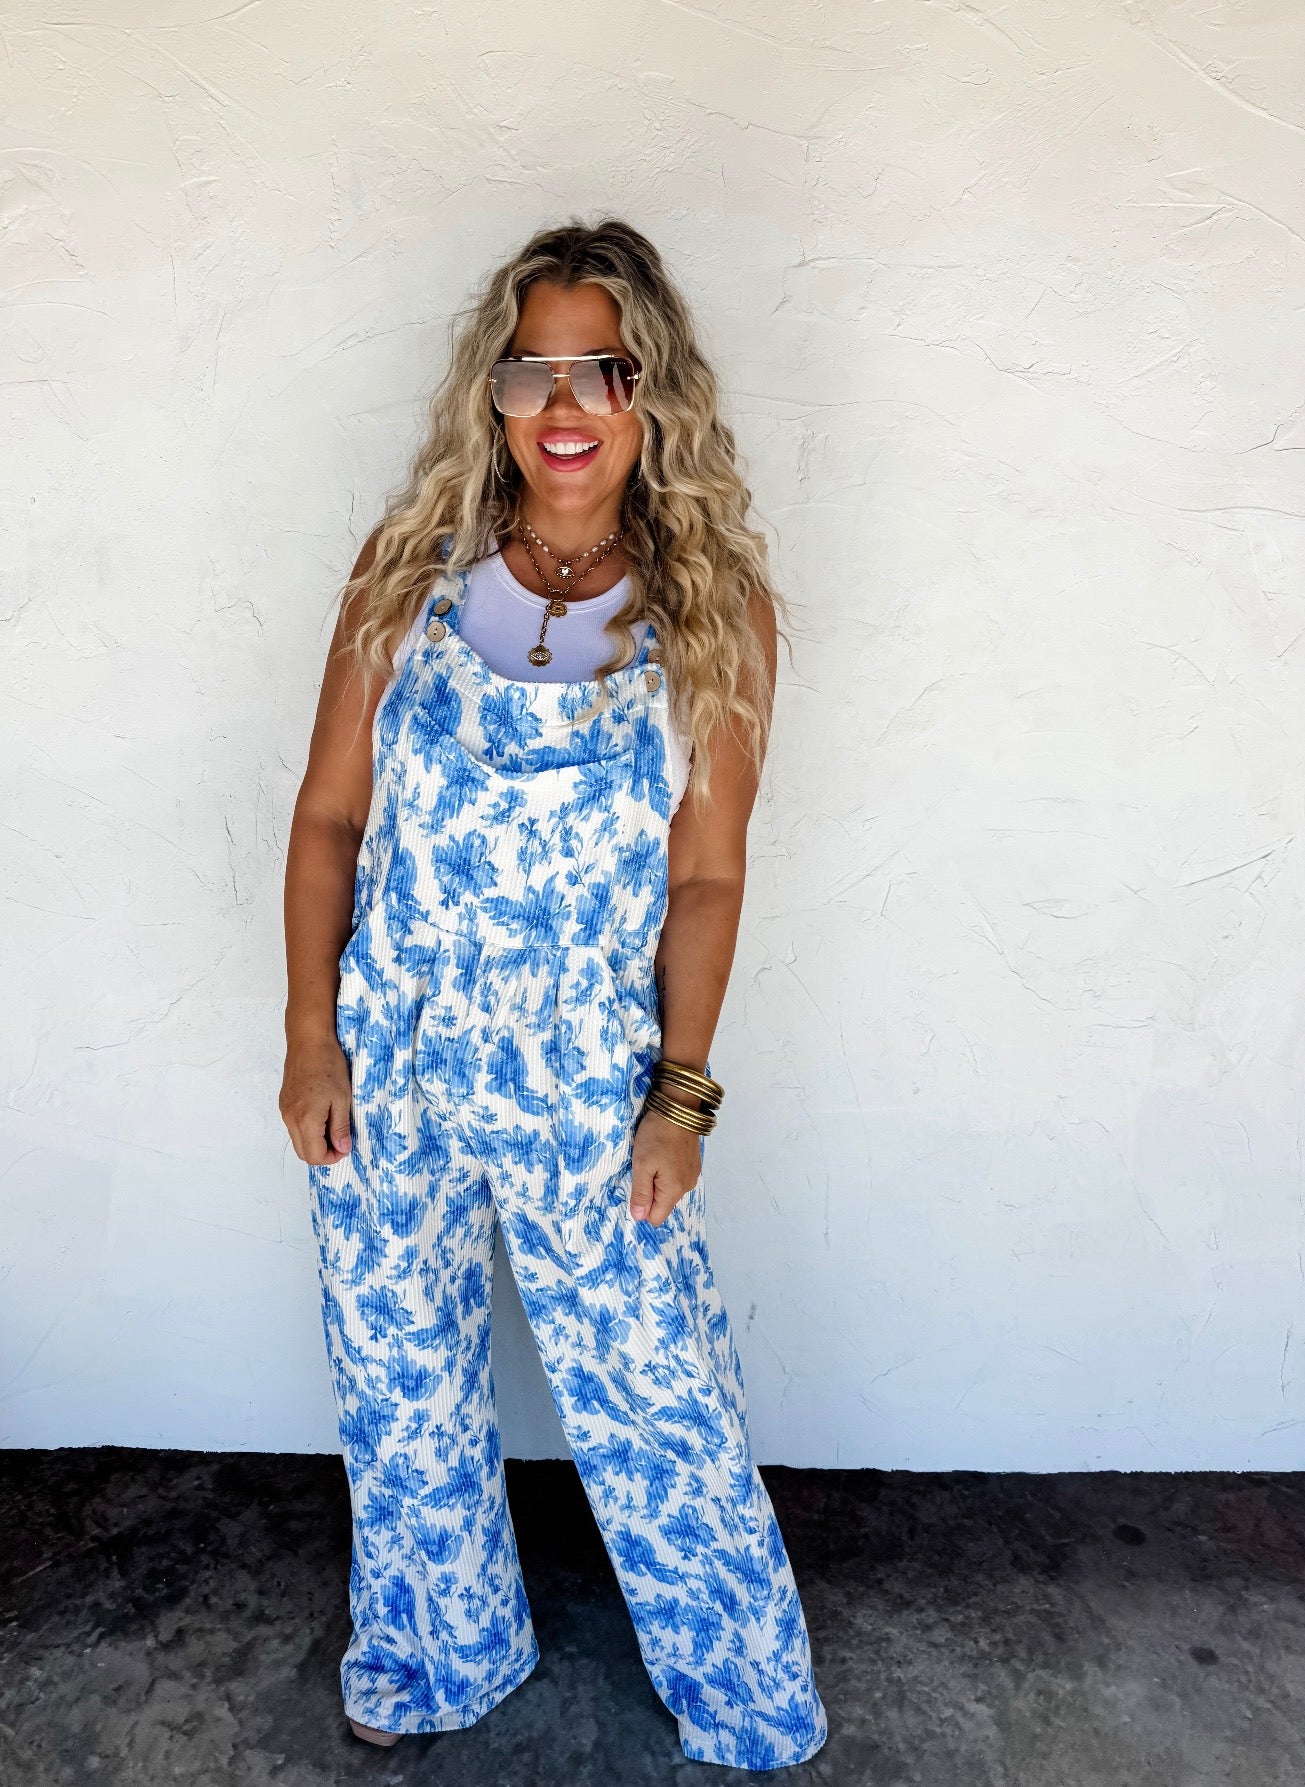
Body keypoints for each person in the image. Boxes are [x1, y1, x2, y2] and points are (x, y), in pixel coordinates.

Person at [278, 216, 828, 1770]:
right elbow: (329, 819)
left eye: (606, 367)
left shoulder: (710, 610)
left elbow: (706, 877)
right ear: (496, 391)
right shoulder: (407, 578)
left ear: (656, 392)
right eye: (535, 367)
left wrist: (680, 1098)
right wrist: (311, 1036)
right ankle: (433, 1655)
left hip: (591, 1074)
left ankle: (742, 1696)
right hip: (390, 1056)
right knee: (401, 1386)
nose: (567, 401)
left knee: (658, 1397)